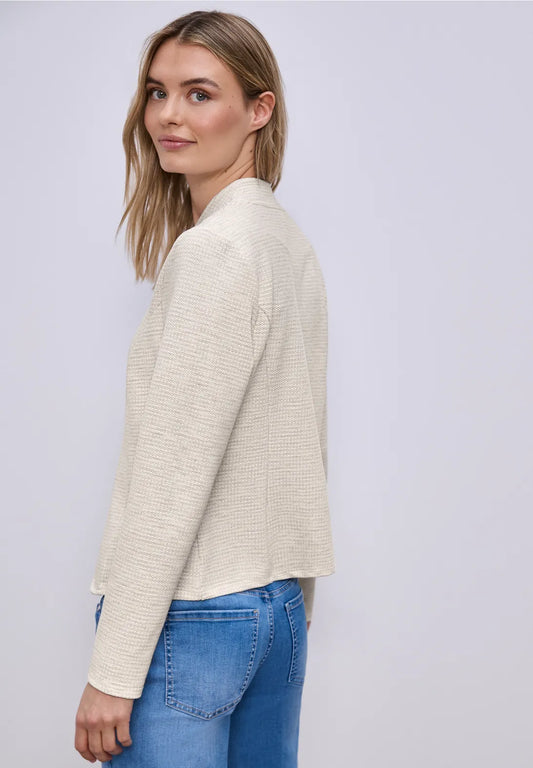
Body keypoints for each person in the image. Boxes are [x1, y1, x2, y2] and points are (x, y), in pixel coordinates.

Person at [74, 10, 335, 767]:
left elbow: (172, 475)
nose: (168, 115)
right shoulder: (282, 241)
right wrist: (293, 603)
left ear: (259, 109)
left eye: (199, 93)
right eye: (157, 92)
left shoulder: (216, 251)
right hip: (273, 608)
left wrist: (114, 670)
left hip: (195, 616)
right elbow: (301, 442)